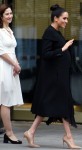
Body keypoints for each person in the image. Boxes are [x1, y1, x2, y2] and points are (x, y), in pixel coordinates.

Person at [24, 4, 81, 149]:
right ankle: (68, 137)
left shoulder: (56, 32)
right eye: (64, 18)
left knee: (53, 104)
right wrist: (63, 48)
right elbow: (46, 54)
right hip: (54, 77)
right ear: (55, 18)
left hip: (58, 76)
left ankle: (31, 132)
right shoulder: (49, 32)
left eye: (67, 18)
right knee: (63, 104)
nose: (66, 21)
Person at [0, 4, 23, 144]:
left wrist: (17, 64)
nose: (10, 16)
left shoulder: (9, 30)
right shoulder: (0, 31)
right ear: (1, 16)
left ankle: (8, 133)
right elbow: (1, 52)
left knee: (7, 100)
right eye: (7, 14)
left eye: (11, 13)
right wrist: (15, 64)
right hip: (4, 68)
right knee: (6, 101)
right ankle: (9, 133)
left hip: (12, 68)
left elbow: (12, 51)